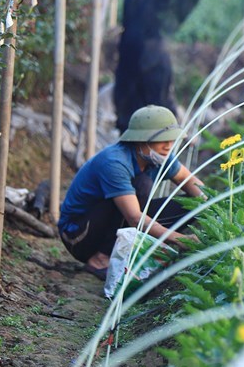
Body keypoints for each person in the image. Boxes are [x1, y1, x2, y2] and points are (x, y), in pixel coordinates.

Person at [58, 105, 205, 280]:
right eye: (162, 140)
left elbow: (190, 182)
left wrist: (214, 208)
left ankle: (129, 255)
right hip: (79, 234)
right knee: (142, 185)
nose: (169, 146)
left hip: (119, 218)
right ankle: (101, 259)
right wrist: (181, 240)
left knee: (193, 204)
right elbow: (135, 217)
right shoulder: (115, 162)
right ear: (141, 140)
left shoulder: (160, 155)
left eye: (171, 140)